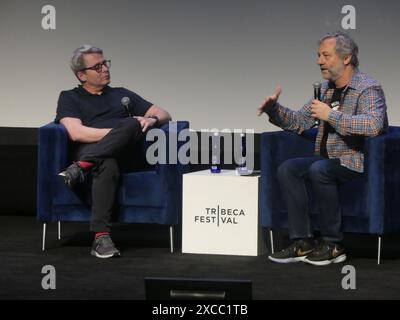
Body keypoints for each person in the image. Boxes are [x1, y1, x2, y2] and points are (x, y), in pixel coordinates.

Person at [257, 32, 388, 266]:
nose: (319, 61)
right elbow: (299, 121)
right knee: (289, 168)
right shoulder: (326, 89)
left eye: (326, 56)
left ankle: (334, 244)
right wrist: (274, 110)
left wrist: (332, 116)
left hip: (354, 161)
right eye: (318, 56)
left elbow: (374, 124)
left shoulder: (367, 88)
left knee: (320, 169)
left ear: (346, 58)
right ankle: (302, 241)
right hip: (327, 160)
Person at [55, 45, 171, 258]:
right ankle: (101, 238)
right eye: (97, 66)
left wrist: (151, 119)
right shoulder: (70, 97)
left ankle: (81, 168)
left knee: (131, 123)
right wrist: (121, 133)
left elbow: (165, 114)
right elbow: (76, 132)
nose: (105, 69)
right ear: (81, 75)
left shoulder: (122, 94)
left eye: (106, 63)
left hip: (126, 155)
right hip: (93, 150)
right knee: (109, 159)